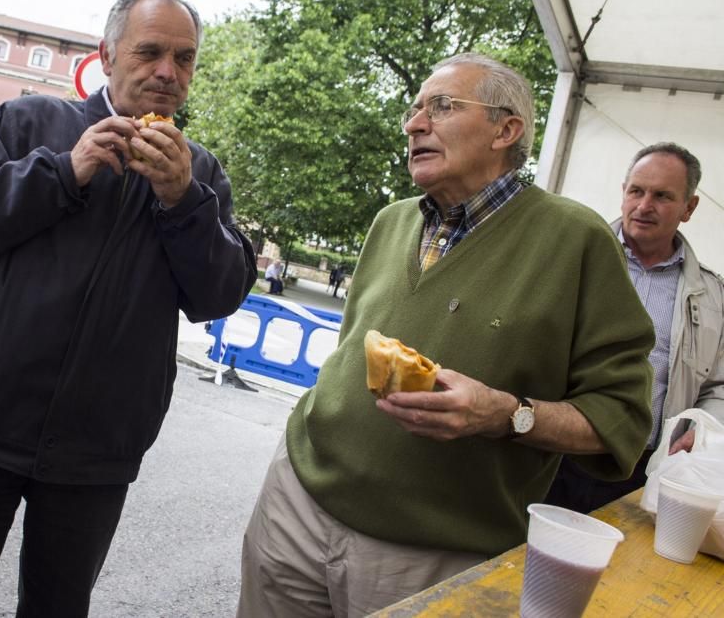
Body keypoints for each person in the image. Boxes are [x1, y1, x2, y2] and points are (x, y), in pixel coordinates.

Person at [236, 53, 655, 617]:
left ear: (506, 130)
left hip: (433, 555)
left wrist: (506, 414)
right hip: (296, 503)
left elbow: (621, 419)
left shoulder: (576, 239)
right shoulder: (392, 220)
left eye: (441, 106)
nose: (413, 124)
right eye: (413, 110)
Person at [0, 0, 256, 617]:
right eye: (150, 51)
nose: (167, 71)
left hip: (96, 454)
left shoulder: (201, 173)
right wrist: (62, 171)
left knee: (57, 608)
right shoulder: (31, 122)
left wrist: (184, 202)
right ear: (107, 55)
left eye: (184, 59)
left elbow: (218, 296)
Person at [547, 142, 724, 513]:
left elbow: (720, 385)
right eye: (636, 191)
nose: (644, 206)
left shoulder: (713, 296)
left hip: (641, 470)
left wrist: (704, 430)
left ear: (689, 208)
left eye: (662, 196)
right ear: (623, 191)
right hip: (552, 453)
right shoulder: (567, 257)